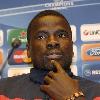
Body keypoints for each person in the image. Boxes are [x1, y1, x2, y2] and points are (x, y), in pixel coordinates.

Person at [0, 10, 100, 100]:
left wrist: (73, 96)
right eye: (41, 36)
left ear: (72, 48)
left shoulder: (96, 92)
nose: (52, 42)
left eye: (61, 35)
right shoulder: (3, 90)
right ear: (28, 50)